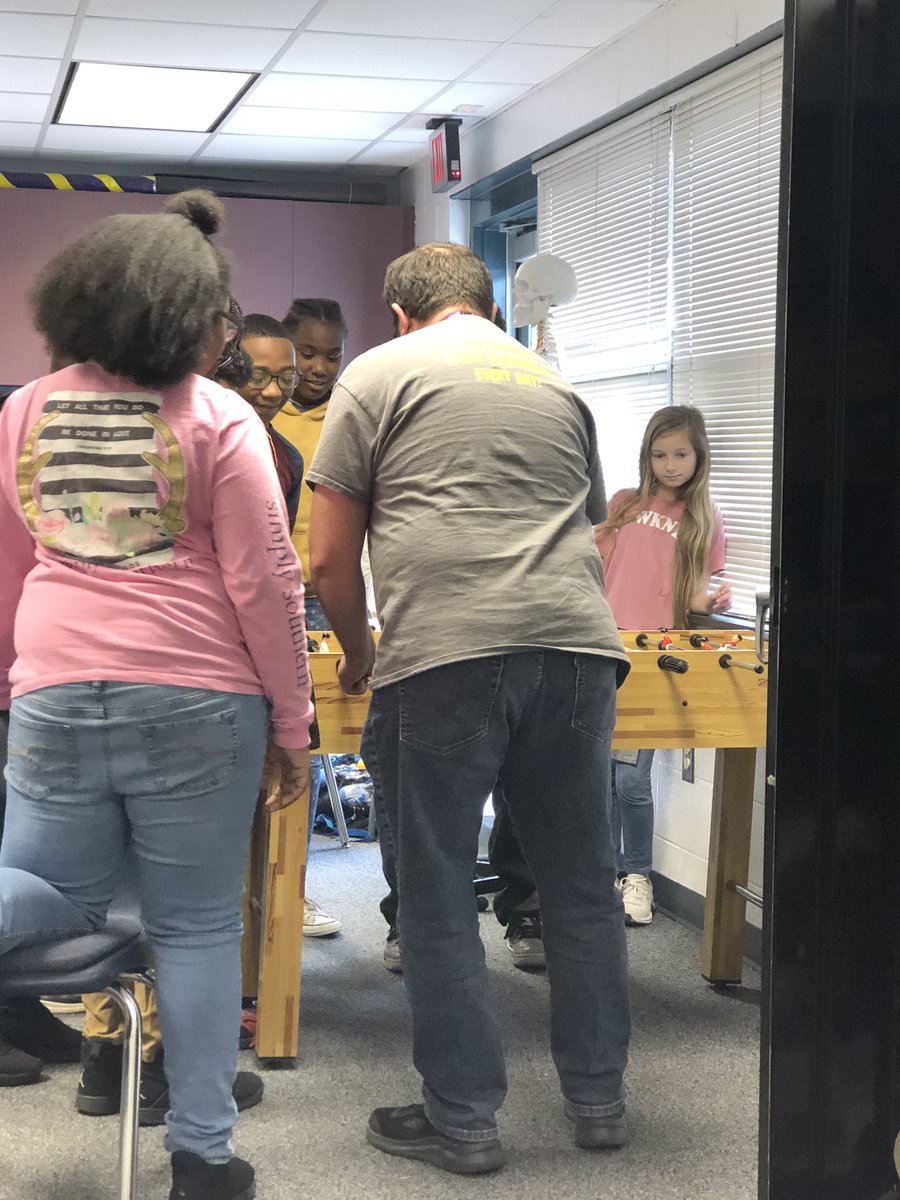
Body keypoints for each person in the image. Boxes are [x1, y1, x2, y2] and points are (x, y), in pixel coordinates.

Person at [0, 191, 313, 1200]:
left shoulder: (26, 409)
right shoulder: (219, 417)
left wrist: (17, 682)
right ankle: (203, 1163)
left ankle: (134, 1085)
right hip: (196, 699)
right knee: (194, 928)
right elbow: (266, 581)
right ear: (198, 318)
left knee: (58, 905)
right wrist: (294, 722)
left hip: (54, 691)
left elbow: (9, 564)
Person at [307, 242, 632, 1176]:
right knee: (579, 882)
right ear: (485, 306)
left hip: (446, 656)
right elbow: (582, 525)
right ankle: (599, 1097)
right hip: (577, 649)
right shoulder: (556, 385)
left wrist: (364, 657)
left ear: (402, 315)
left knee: (438, 887)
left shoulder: (378, 372)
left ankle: (464, 1118)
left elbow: (330, 559)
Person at [593, 404, 729, 924]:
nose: (670, 465)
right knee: (598, 775)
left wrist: (708, 603)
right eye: (660, 454)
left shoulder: (705, 518)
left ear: (698, 456)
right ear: (646, 456)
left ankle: (637, 876)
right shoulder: (624, 504)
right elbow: (597, 568)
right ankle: (600, 874)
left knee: (631, 778)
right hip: (606, 647)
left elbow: (692, 591)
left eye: (681, 454)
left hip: (654, 656)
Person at [272, 298, 349, 938]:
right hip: (270, 599)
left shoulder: (350, 417)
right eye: (307, 352)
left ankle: (300, 890)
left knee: (314, 753)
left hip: (324, 600)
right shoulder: (259, 419)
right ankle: (273, 891)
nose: (319, 367)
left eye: (331, 354)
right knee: (276, 749)